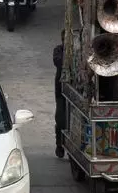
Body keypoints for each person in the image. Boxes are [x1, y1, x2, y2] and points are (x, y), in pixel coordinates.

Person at [52, 30, 66, 158]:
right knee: (61, 119)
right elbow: (58, 62)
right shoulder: (58, 50)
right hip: (61, 90)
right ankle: (59, 145)